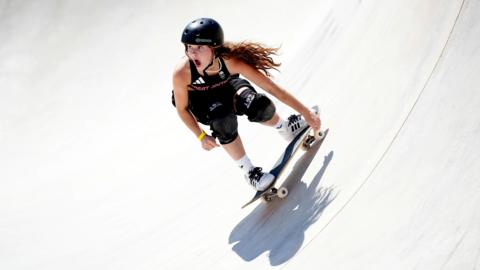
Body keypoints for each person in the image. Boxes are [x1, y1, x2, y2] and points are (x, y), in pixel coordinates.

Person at [172, 18, 321, 191]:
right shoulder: (182, 73)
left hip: (227, 88)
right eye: (189, 47)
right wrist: (201, 136)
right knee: (224, 122)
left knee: (260, 105)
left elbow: (272, 89)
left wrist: (305, 112)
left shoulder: (231, 62)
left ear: (214, 48)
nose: (192, 53)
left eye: (199, 47)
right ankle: (249, 172)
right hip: (202, 103)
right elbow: (181, 109)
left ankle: (285, 127)